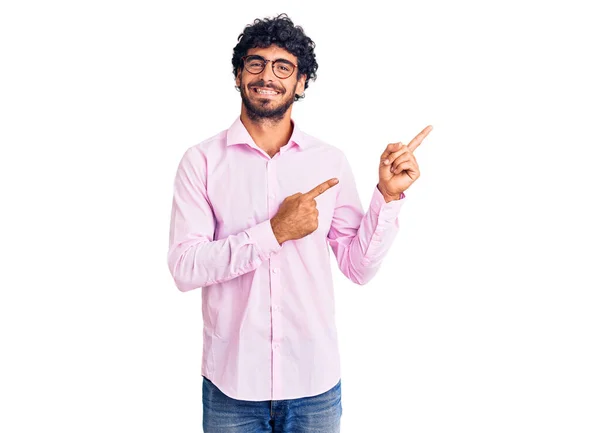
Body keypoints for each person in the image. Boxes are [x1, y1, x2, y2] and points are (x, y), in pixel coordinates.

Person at [167, 13, 432, 433]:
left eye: (283, 67)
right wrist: (274, 232)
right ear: (238, 75)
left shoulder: (329, 162)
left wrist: (387, 195)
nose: (267, 76)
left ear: (301, 82)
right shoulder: (200, 162)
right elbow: (185, 268)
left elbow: (358, 267)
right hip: (232, 387)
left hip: (314, 385)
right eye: (255, 63)